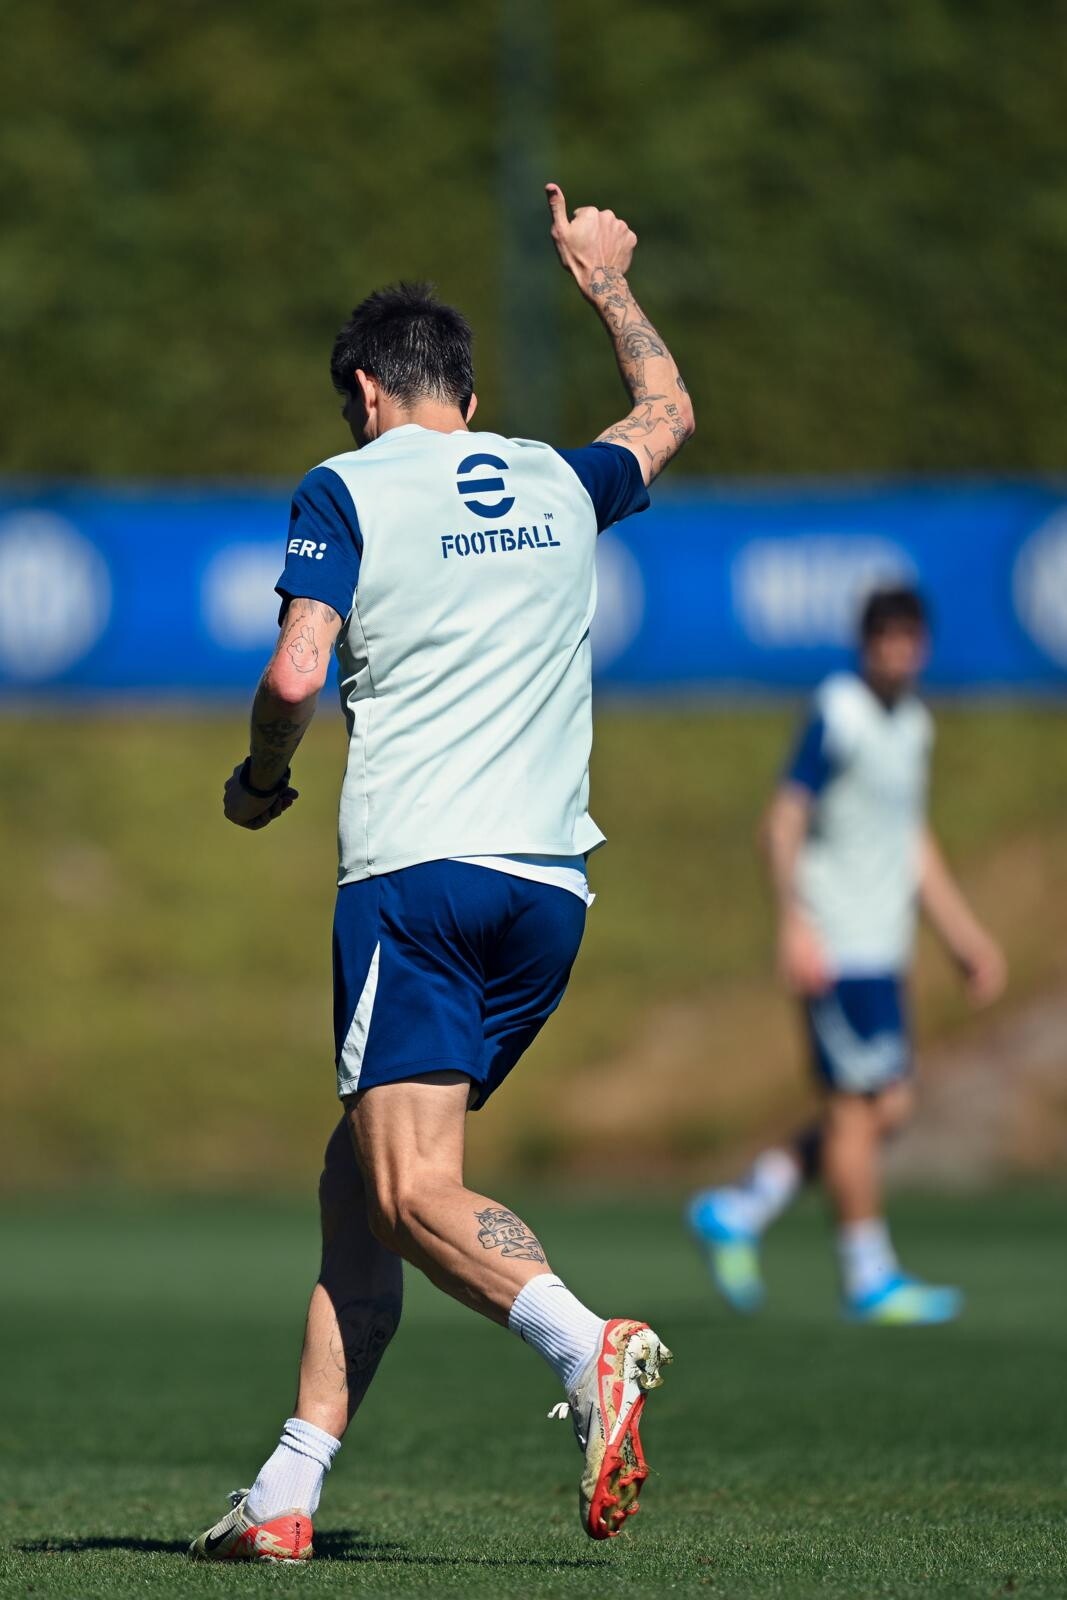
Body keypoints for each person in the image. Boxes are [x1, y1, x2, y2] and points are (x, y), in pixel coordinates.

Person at [190, 184, 694, 1563]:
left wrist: (261, 779)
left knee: (411, 1188)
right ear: (466, 398)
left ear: (364, 392)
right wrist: (603, 282)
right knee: (363, 1177)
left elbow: (296, 672)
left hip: (415, 877)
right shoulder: (556, 479)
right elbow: (663, 415)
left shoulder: (343, 486)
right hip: (547, 894)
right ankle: (287, 1491)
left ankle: (585, 1344)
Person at [688, 587, 1006, 1324]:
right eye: (883, 637)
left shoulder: (914, 725)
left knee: (886, 1107)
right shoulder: (839, 712)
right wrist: (794, 925)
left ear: (922, 645)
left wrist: (963, 939)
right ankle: (868, 1275)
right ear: (864, 644)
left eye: (907, 637)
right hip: (834, 945)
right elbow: (782, 821)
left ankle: (742, 1207)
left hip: (882, 948)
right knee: (856, 1112)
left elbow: (910, 842)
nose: (896, 650)